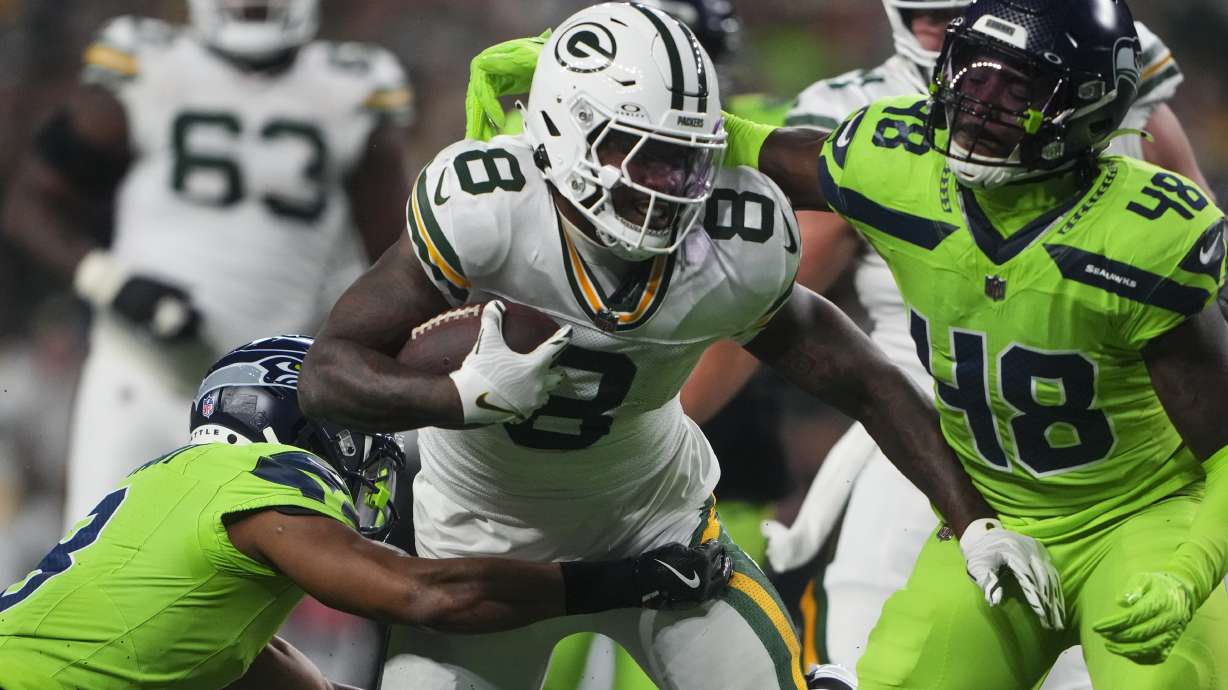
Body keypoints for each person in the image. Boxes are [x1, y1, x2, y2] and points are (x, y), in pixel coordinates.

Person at [305, 4, 1062, 689]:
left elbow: (863, 378)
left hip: (659, 528)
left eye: (685, 157)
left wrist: (975, 520)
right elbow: (329, 373)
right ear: (564, 130)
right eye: (634, 152)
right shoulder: (490, 207)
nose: (667, 185)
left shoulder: (735, 240)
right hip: (481, 540)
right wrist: (456, 398)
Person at [691, 0, 1228, 686]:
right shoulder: (900, 160)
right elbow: (739, 142)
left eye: (1018, 90)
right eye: (972, 76)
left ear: (1090, 110)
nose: (979, 106)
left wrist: (1189, 572)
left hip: (1137, 518)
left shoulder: (1145, 235)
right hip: (995, 511)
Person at [0, 336, 734, 690]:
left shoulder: (181, 490)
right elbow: (429, 594)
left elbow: (261, 668)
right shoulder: (262, 477)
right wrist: (626, 579)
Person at [0, 0, 415, 524]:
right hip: (142, 372)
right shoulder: (150, 62)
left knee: (246, 590)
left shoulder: (352, 84)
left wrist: (339, 334)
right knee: (94, 559)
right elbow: (32, 204)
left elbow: (397, 258)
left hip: (270, 393)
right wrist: (114, 283)